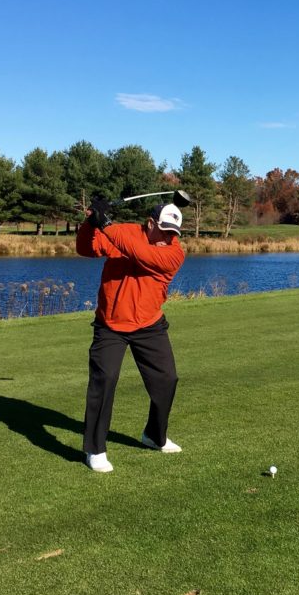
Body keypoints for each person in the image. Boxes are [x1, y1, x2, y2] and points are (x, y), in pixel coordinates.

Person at [75, 198, 186, 473]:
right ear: (150, 223)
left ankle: (154, 436)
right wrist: (91, 223)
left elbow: (140, 253)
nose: (169, 238)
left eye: (174, 233)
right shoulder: (123, 232)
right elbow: (85, 248)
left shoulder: (174, 254)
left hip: (149, 325)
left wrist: (107, 225)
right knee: (105, 379)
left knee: (167, 380)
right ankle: (95, 449)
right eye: (165, 231)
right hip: (110, 324)